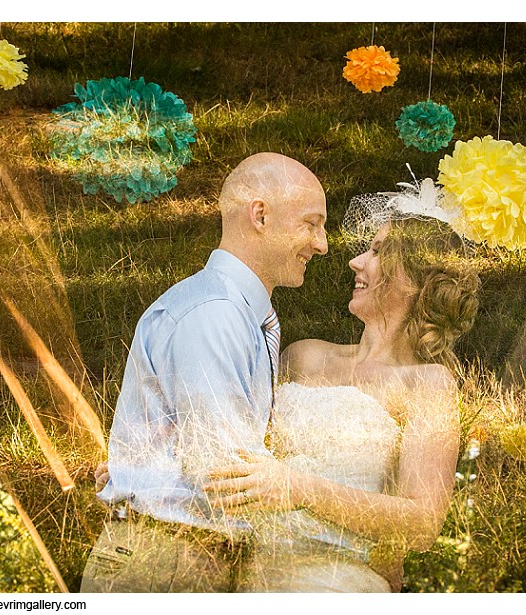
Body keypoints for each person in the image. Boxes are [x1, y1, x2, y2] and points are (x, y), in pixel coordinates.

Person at [201, 182, 481, 592]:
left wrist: (295, 487)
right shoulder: (303, 356)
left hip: (337, 584)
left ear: (415, 281)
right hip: (246, 576)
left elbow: (421, 523)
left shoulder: (428, 383)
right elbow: (226, 431)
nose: (355, 261)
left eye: (378, 252)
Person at [79, 152, 328, 592]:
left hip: (182, 553)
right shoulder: (215, 314)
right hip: (169, 560)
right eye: (312, 223)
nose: (321, 244)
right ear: (260, 215)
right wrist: (349, 509)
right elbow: (222, 471)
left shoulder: (233, 311)